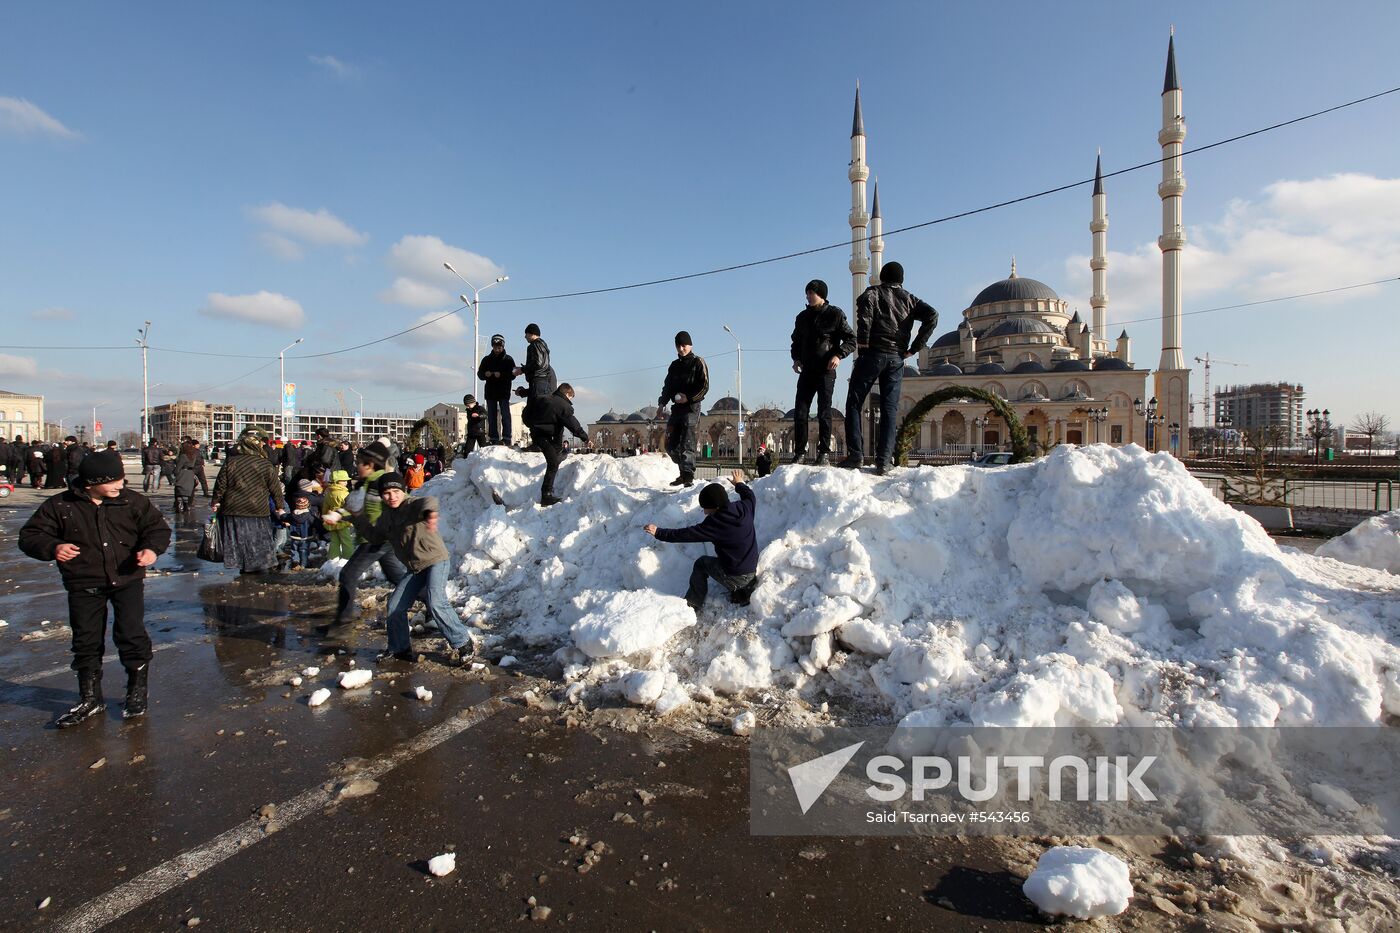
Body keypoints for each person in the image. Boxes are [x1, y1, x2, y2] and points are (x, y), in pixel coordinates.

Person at [18, 450, 172, 727]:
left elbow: (157, 529)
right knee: (86, 640)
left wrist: (151, 549)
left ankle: (136, 691)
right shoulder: (61, 506)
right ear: (90, 483)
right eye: (112, 481)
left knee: (131, 634)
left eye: (121, 479)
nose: (119, 486)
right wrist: (54, 547)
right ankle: (90, 698)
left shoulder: (132, 501)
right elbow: (30, 536)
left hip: (127, 580)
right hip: (83, 582)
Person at [323, 473, 475, 665]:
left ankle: (463, 643)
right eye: (386, 493)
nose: (392, 496)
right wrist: (356, 517)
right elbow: (375, 536)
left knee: (436, 601)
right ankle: (399, 648)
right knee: (395, 606)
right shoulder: (387, 516)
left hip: (436, 560)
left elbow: (427, 502)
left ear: (403, 491)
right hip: (415, 568)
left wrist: (430, 513)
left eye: (396, 491)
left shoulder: (411, 505)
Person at [839, 261, 938, 474]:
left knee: (854, 403)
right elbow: (933, 315)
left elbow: (864, 316)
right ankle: (884, 461)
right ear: (901, 280)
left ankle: (856, 455)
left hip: (873, 354)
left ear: (882, 277)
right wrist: (915, 348)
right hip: (896, 358)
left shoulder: (873, 293)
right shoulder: (910, 299)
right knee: (889, 410)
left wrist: (863, 344)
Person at [644, 469, 759, 611]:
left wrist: (658, 532)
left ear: (716, 507)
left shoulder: (715, 524)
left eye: (706, 508)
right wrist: (739, 483)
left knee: (701, 564)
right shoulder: (744, 508)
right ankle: (742, 589)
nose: (704, 512)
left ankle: (693, 604)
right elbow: (750, 496)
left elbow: (685, 534)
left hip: (737, 577)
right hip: (751, 570)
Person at [329, 441, 407, 627]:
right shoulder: (369, 483)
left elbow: (403, 501)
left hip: (375, 539)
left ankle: (344, 617)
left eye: (359, 463)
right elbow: (359, 510)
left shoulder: (381, 481)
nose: (357, 466)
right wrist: (339, 514)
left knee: (348, 574)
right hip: (381, 538)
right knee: (397, 577)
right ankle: (429, 601)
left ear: (370, 464)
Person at [790, 278, 857, 465]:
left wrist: (838, 355)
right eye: (807, 293)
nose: (809, 296)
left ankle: (824, 453)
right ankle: (800, 453)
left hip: (826, 371)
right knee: (800, 411)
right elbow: (795, 341)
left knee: (824, 412)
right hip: (807, 371)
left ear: (822, 295)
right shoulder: (802, 317)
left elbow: (852, 339)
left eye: (812, 292)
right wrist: (796, 359)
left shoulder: (835, 314)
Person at [211, 429, 286, 575]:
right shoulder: (265, 464)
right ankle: (259, 565)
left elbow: (221, 484)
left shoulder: (231, 462)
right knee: (258, 539)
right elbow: (275, 489)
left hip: (233, 507)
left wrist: (216, 501)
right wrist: (280, 507)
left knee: (239, 539)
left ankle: (243, 566)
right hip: (257, 507)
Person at [521, 383, 591, 506]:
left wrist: (532, 426)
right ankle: (546, 495)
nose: (570, 401)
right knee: (553, 463)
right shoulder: (563, 406)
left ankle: (557, 452)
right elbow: (574, 425)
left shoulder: (542, 399)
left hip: (536, 434)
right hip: (545, 437)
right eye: (571, 398)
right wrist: (585, 438)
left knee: (558, 429)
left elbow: (526, 413)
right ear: (567, 394)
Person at [658, 331, 709, 488]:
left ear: (690, 345)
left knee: (687, 441)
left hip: (692, 407)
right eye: (678, 346)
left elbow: (704, 386)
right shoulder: (674, 366)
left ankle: (688, 476)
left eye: (684, 345)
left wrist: (690, 398)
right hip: (677, 408)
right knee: (670, 445)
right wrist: (661, 404)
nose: (681, 348)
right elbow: (667, 387)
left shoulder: (698, 362)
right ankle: (684, 471)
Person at [477, 334, 517, 445]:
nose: (497, 349)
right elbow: (480, 374)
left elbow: (513, 374)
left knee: (505, 415)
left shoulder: (508, 359)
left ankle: (507, 438)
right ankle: (493, 438)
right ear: (492, 347)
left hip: (504, 392)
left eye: (499, 347)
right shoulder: (487, 359)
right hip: (490, 392)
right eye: (495, 347)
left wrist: (502, 375)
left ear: (503, 347)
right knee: (491, 416)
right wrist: (486, 374)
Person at [513, 323, 557, 402]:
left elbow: (537, 363)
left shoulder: (534, 345)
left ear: (532, 334)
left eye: (526, 334)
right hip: (544, 383)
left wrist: (522, 369)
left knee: (532, 411)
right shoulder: (543, 345)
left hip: (537, 382)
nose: (525, 337)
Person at [322, 469, 355, 561]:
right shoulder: (345, 494)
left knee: (334, 541)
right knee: (346, 541)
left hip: (332, 518)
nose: (346, 482)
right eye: (343, 480)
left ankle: (333, 558)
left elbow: (325, 506)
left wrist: (325, 516)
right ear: (337, 481)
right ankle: (348, 558)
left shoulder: (329, 493)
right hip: (342, 519)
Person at [281, 494, 318, 570]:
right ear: (307, 505)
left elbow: (284, 517)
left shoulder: (292, 515)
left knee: (294, 550)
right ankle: (303, 565)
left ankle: (296, 561)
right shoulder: (310, 516)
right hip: (306, 537)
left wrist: (281, 514)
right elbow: (316, 523)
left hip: (294, 537)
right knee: (304, 551)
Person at [173, 443, 201, 515]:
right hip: (190, 474)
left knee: (179, 489)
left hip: (183, 473)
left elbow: (178, 467)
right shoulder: (193, 456)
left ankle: (179, 505)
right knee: (187, 490)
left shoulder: (183, 456)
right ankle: (186, 505)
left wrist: (175, 473)